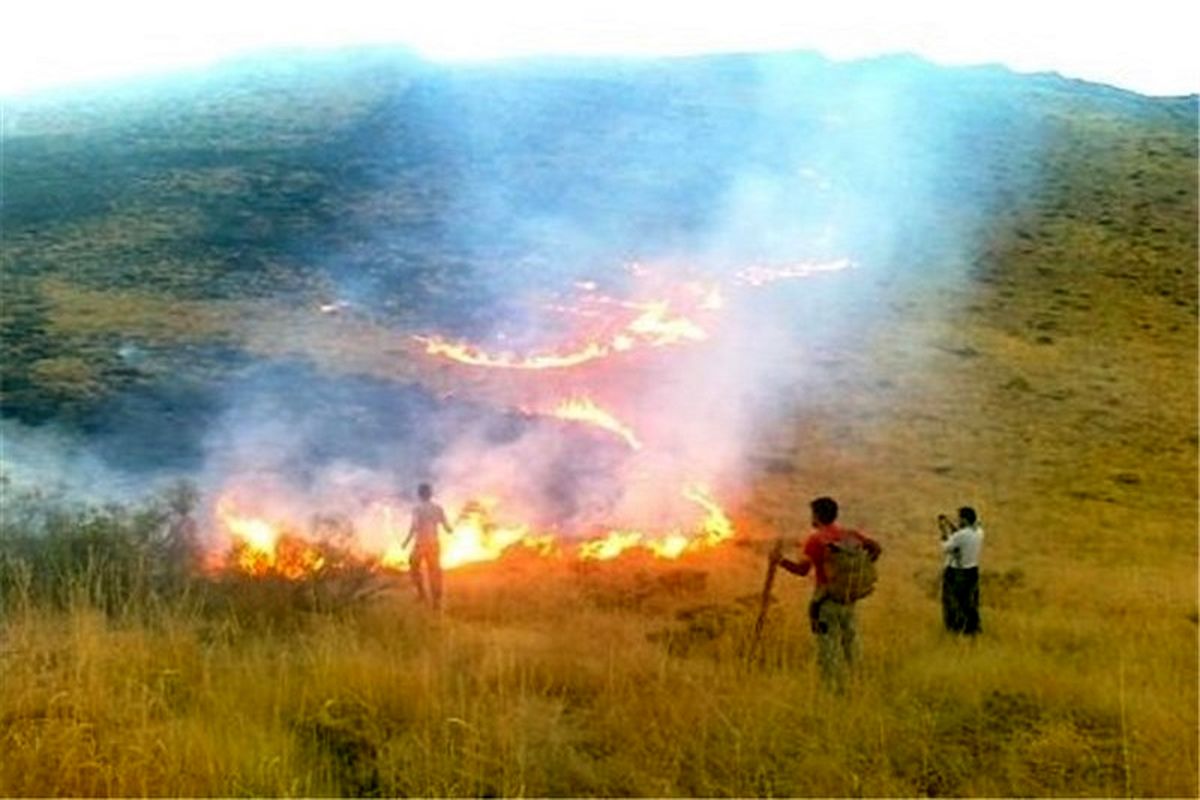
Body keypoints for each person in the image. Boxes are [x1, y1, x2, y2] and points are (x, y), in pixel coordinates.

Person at [770, 496, 882, 690]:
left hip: (825, 602)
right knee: (851, 642)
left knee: (828, 649)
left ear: (817, 516)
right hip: (848, 598)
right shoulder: (850, 534)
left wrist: (779, 561)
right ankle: (860, 684)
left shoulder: (815, 540)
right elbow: (876, 548)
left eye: (812, 513)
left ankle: (834, 692)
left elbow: (802, 570)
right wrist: (860, 569)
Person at [404, 483, 450, 610]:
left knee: (413, 567)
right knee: (435, 572)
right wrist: (452, 530)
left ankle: (422, 594)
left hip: (421, 544)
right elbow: (447, 527)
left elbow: (414, 527)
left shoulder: (417, 509)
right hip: (434, 544)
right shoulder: (438, 508)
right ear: (431, 494)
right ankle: (437, 602)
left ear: (419, 494)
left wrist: (406, 541)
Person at [939, 506, 984, 635]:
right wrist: (950, 524)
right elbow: (961, 535)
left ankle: (955, 629)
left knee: (952, 601)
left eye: (959, 518)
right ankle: (972, 628)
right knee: (970, 601)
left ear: (964, 520)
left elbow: (946, 547)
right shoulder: (979, 532)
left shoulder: (961, 535)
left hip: (956, 571)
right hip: (972, 570)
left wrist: (943, 530)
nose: (957, 520)